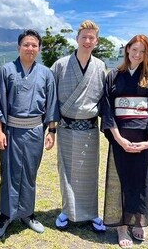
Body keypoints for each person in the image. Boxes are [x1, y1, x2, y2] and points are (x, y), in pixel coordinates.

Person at [0, 29, 59, 239]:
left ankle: (27, 214)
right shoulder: (6, 71)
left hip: (35, 131)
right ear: (19, 46)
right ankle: (5, 215)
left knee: (29, 174)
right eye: (26, 44)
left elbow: (52, 104)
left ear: (39, 48)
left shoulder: (46, 73)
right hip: (11, 131)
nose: (30, 48)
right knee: (9, 173)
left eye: (34, 45)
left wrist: (52, 131)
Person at [100, 35, 148, 249]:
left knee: (141, 180)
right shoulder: (114, 76)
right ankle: (121, 226)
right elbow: (107, 108)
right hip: (120, 136)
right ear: (127, 50)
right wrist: (117, 137)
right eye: (134, 49)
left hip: (143, 137)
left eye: (142, 51)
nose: (137, 54)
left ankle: (138, 220)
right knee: (120, 179)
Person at [50, 20, 107, 232]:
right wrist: (52, 128)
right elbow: (52, 99)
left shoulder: (100, 66)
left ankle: (92, 213)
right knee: (66, 170)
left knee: (90, 172)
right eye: (84, 37)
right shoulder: (60, 65)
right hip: (66, 127)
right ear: (77, 39)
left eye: (92, 37)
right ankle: (67, 211)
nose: (88, 41)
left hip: (90, 129)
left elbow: (105, 100)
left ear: (96, 41)